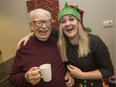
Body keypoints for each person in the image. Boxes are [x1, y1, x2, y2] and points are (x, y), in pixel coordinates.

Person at [16, 2, 114, 87]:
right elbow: (44, 30)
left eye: (71, 19)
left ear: (78, 22)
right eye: (63, 21)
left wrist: (82, 75)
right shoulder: (60, 39)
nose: (67, 24)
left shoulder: (94, 41)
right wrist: (30, 35)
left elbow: (108, 71)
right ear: (60, 27)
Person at [9, 8, 75, 87]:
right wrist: (25, 77)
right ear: (31, 26)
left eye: (47, 22)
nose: (44, 26)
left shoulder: (60, 42)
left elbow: (67, 64)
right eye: (38, 22)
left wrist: (69, 74)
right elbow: (12, 78)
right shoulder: (24, 47)